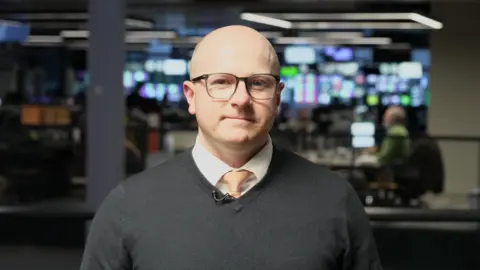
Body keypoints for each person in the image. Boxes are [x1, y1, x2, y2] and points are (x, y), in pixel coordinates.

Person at [80, 25, 382, 270]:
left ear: (277, 98)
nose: (241, 99)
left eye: (259, 83)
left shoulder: (335, 201)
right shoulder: (127, 207)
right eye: (221, 82)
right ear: (191, 96)